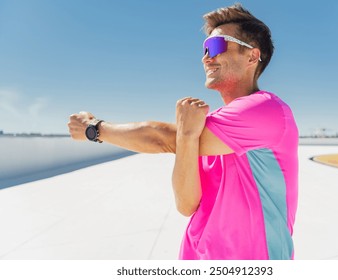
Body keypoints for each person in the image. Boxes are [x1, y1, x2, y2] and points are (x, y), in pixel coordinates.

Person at [68, 3, 298, 260]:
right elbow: (187, 204)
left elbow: (162, 138)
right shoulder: (210, 128)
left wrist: (94, 129)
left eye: (217, 47)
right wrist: (187, 137)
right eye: (204, 49)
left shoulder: (266, 109)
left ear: (252, 57)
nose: (206, 57)